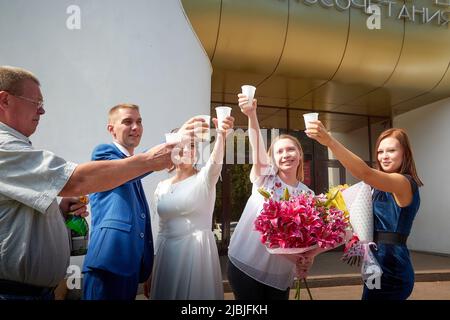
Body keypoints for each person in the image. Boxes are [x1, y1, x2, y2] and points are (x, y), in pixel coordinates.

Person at [0, 66, 204, 300]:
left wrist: (58, 213)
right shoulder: (106, 154)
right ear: (5, 100)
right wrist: (156, 155)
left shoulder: (19, 148)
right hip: (103, 266)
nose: (42, 109)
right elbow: (80, 179)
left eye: (139, 121)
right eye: (35, 101)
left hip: (121, 269)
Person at [306, 121, 423, 300]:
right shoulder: (376, 188)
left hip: (392, 267)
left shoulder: (404, 183)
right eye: (380, 151)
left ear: (405, 153)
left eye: (391, 150)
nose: (384, 156)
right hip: (374, 263)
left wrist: (330, 141)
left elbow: (365, 173)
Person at [226, 93, 313, 300]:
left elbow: (306, 240)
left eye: (291, 149)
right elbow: (257, 146)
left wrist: (306, 259)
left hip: (279, 274)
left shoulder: (307, 195)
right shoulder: (265, 178)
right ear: (272, 158)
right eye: (279, 151)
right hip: (246, 264)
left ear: (300, 154)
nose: (286, 155)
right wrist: (251, 114)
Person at [149, 115, 234, 300]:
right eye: (182, 144)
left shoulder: (204, 178)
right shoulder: (162, 186)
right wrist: (153, 267)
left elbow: (215, 162)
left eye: (193, 145)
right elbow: (161, 229)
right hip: (166, 255)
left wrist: (221, 135)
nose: (188, 150)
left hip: (195, 254)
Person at [82, 104, 152, 300]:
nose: (136, 127)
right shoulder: (104, 154)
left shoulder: (133, 166)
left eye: (139, 121)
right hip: (107, 265)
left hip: (130, 269)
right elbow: (136, 166)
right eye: (127, 122)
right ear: (111, 129)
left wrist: (148, 264)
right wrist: (174, 141)